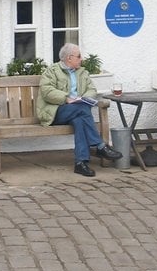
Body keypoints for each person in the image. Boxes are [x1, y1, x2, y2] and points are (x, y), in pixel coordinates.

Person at [37, 43, 122, 176]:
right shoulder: (52, 71)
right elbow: (46, 91)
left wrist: (83, 98)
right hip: (56, 112)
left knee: (80, 121)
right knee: (82, 109)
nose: (81, 59)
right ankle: (100, 145)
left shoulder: (83, 72)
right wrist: (66, 99)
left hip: (77, 111)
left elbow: (92, 90)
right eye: (79, 56)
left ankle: (80, 163)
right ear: (69, 58)